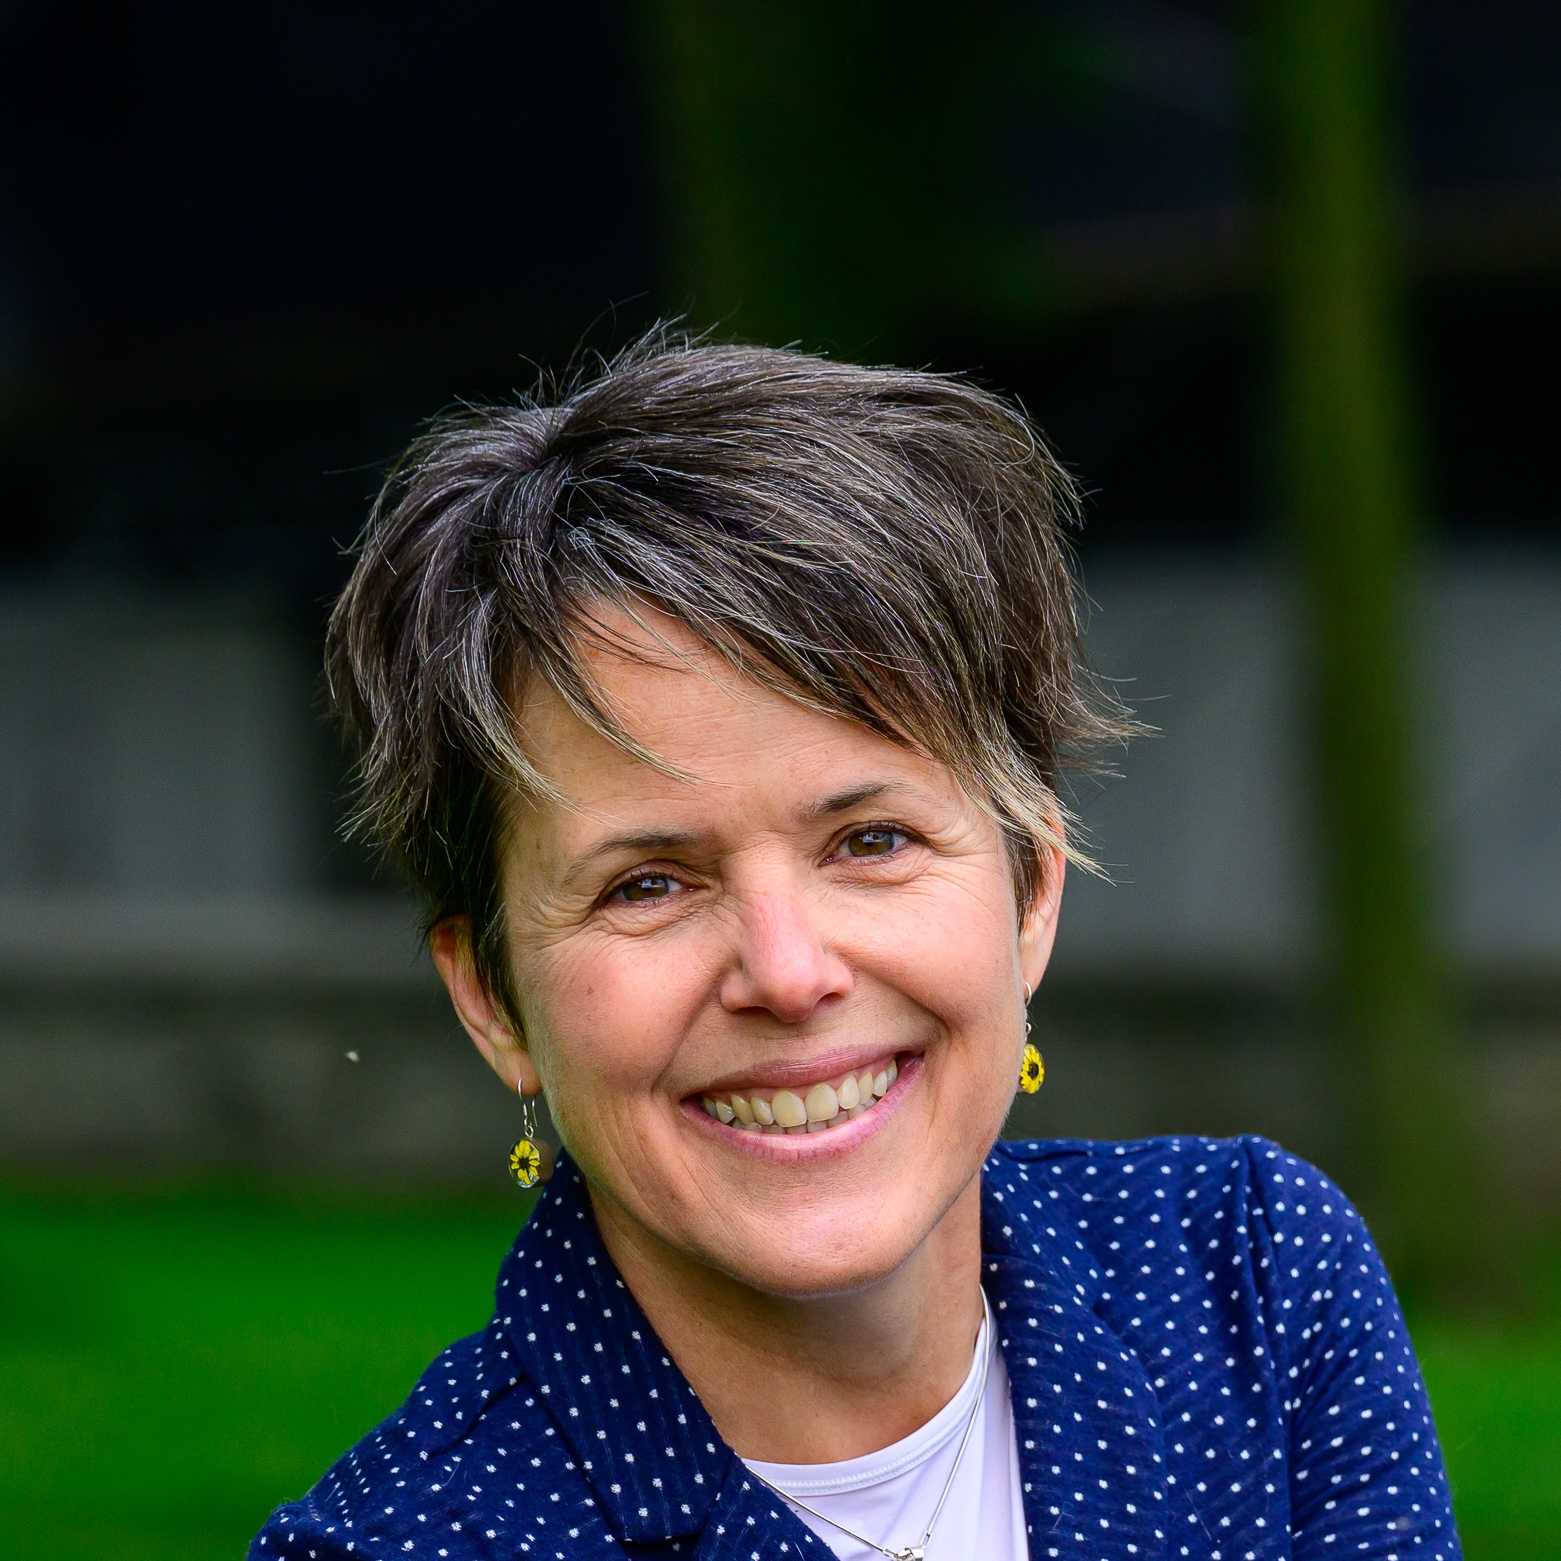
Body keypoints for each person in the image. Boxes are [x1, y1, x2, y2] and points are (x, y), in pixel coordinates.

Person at [251, 333, 1460, 1561]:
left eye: (871, 840)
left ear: (1031, 888)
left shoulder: (1248, 1284)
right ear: (491, 997)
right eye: (649, 883)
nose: (787, 971)